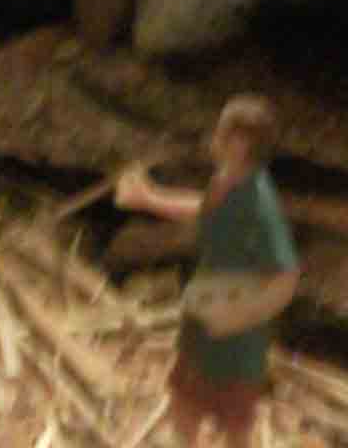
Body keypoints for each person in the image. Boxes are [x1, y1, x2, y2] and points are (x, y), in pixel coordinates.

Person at [115, 95, 302, 448]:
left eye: (222, 132)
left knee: (234, 420)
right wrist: (149, 197)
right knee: (184, 402)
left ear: (241, 143)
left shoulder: (260, 205)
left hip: (234, 338)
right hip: (204, 316)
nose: (214, 138)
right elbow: (206, 209)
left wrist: (240, 316)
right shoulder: (227, 179)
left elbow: (286, 277)